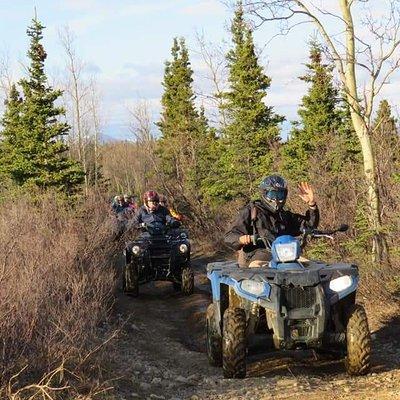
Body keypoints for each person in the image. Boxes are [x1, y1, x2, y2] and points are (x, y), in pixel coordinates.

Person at [224, 175, 319, 268]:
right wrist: (241, 239)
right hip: (256, 255)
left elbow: (309, 225)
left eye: (280, 195)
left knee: (311, 265)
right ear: (264, 193)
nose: (276, 199)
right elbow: (229, 236)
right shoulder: (251, 211)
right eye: (272, 194)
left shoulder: (285, 215)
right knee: (256, 267)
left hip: (285, 254)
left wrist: (312, 204)